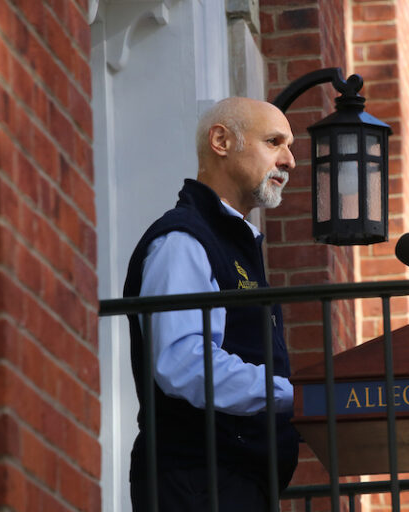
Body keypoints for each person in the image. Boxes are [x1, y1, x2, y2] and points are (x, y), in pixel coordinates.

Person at [123, 97, 300, 510]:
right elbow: (184, 363)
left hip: (230, 481)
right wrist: (294, 395)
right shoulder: (183, 241)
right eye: (274, 142)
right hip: (198, 481)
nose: (290, 160)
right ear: (221, 140)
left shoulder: (228, 240)